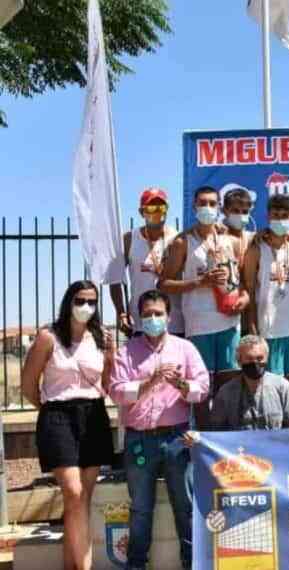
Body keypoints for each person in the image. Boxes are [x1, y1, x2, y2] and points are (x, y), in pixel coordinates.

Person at [108, 289, 209, 570]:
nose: (152, 318)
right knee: (140, 508)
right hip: (139, 439)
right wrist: (147, 383)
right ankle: (137, 564)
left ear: (168, 316)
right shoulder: (127, 351)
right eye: (147, 314)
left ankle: (193, 562)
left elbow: (202, 388)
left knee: (186, 506)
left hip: (177, 437)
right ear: (140, 318)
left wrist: (182, 386)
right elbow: (115, 391)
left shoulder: (184, 348)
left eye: (158, 313)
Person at [20, 280, 115, 570]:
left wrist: (110, 356)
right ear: (68, 302)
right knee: (73, 492)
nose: (86, 307)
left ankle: (72, 565)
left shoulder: (100, 336)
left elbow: (107, 385)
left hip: (94, 414)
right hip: (58, 415)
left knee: (82, 499)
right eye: (80, 300)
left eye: (92, 301)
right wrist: (49, 411)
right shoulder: (49, 337)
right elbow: (27, 385)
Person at [160, 185, 248, 429]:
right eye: (202, 203)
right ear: (194, 207)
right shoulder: (183, 242)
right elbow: (164, 283)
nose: (207, 208)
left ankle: (227, 441)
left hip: (229, 322)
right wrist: (200, 282)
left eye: (212, 203)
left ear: (219, 208)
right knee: (201, 388)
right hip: (199, 325)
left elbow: (243, 282)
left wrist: (243, 299)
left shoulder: (231, 239)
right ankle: (205, 440)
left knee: (228, 386)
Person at [242, 193, 289, 397]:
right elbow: (249, 289)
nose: (280, 219)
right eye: (275, 215)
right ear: (268, 216)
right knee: (270, 383)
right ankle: (274, 427)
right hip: (268, 328)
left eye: (284, 215)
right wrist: (252, 324)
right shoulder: (256, 248)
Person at [110, 187, 185, 339]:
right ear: (141, 211)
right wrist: (121, 313)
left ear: (167, 210)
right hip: (140, 321)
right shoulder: (129, 239)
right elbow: (114, 278)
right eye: (151, 207)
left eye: (161, 207)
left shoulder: (178, 239)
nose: (157, 212)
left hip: (174, 322)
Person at [208, 335, 289, 430]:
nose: (254, 363)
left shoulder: (283, 387)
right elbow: (217, 432)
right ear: (239, 361)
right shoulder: (226, 392)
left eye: (259, 358)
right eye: (249, 358)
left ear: (267, 359)